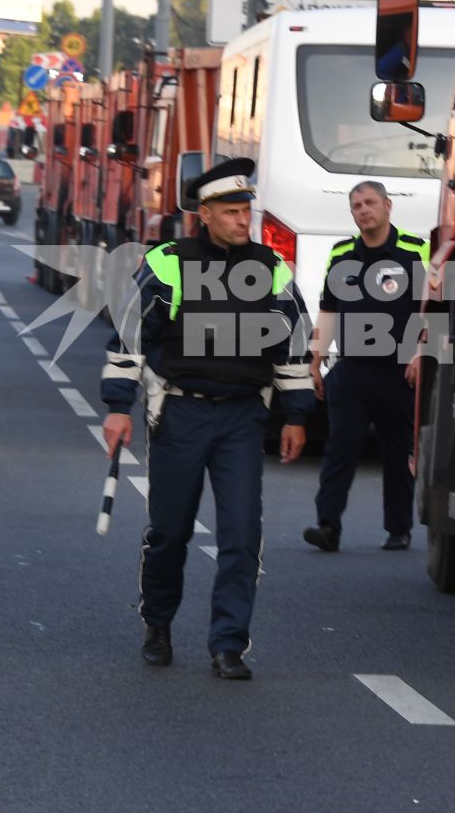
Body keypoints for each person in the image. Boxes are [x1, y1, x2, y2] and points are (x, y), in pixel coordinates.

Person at [101, 157, 314, 681]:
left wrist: (297, 414)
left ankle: (228, 644)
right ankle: (157, 621)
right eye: (233, 211)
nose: (245, 220)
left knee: (242, 534)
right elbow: (132, 335)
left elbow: (294, 344)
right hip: (180, 413)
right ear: (205, 213)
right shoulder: (169, 262)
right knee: (170, 532)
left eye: (247, 210)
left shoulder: (272, 268)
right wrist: (116, 408)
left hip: (243, 417)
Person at [302, 181, 429, 554]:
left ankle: (398, 528)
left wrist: (422, 354)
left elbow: (434, 310)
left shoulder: (416, 251)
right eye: (356, 205)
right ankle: (328, 526)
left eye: (370, 202)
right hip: (352, 369)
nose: (363, 210)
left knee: (397, 450)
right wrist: (316, 361)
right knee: (340, 447)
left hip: (398, 370)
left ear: (388, 205)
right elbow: (328, 309)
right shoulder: (341, 254)